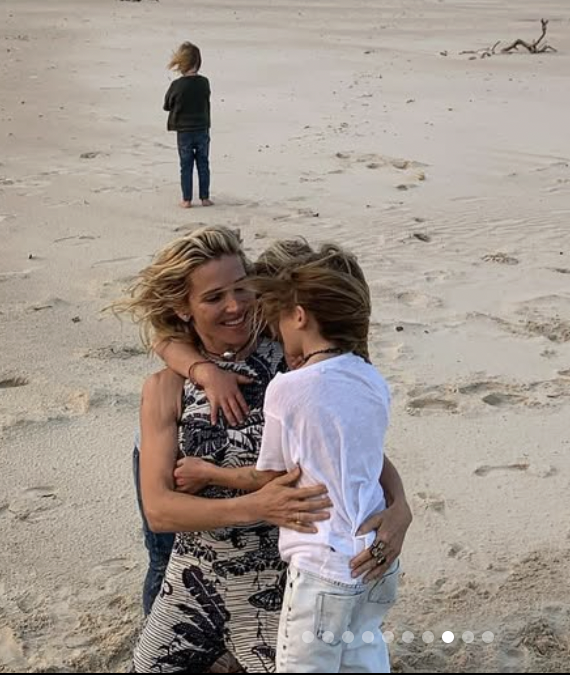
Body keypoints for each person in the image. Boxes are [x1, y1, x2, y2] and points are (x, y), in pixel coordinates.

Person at [118, 226, 411, 673]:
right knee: (158, 571)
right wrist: (260, 505)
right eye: (214, 298)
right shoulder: (167, 385)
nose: (235, 306)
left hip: (282, 581)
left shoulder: (293, 362)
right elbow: (161, 509)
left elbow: (350, 447)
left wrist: (400, 505)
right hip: (197, 572)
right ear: (184, 308)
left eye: (242, 290)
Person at [242, 239, 400, 673]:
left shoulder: (287, 389)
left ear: (299, 316)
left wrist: (205, 472)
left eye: (279, 319)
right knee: (365, 658)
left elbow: (272, 475)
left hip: (320, 566)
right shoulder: (373, 380)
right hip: (375, 561)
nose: (276, 331)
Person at [164, 40, 212, 208]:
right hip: (202, 128)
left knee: (186, 165)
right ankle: (205, 197)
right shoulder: (204, 82)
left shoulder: (176, 85)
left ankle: (186, 199)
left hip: (184, 131)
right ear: (198, 63)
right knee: (203, 163)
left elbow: (167, 105)